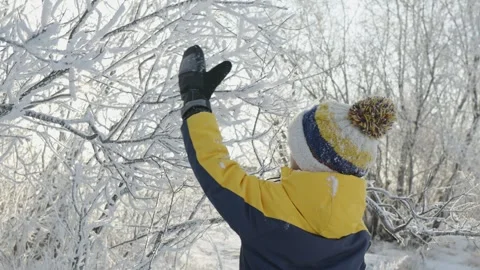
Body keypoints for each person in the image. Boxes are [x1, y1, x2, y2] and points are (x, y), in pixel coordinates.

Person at [178, 45, 396, 270]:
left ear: (307, 159)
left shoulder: (266, 209)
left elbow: (213, 165)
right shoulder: (356, 234)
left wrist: (195, 102)